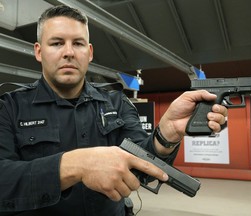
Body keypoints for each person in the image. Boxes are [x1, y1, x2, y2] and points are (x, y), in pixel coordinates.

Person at [0, 5, 227, 216]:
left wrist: (166, 135)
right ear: (39, 51)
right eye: (57, 43)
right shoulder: (9, 107)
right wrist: (75, 165)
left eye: (78, 43)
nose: (68, 52)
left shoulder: (116, 102)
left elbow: (142, 165)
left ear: (89, 52)